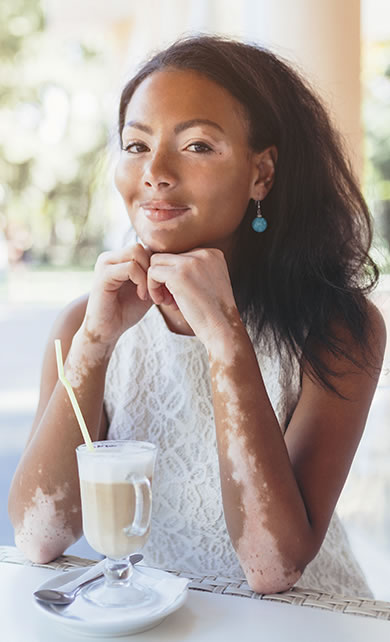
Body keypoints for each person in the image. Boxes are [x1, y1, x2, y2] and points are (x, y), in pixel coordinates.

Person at [8, 35, 386, 597]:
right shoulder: (84, 326)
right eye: (136, 145)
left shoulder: (337, 329)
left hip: (303, 626)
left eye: (198, 146)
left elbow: (272, 567)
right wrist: (95, 341)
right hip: (154, 620)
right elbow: (39, 537)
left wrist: (226, 339)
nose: (155, 172)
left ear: (262, 174)